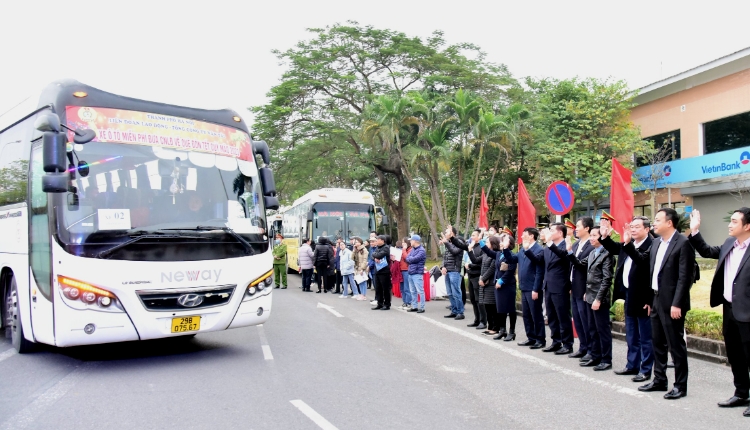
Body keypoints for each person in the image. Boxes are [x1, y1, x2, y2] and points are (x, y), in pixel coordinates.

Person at [623, 208, 695, 400]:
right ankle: (659, 379)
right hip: (655, 299)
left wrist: (677, 303)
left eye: (657, 219)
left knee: (676, 345)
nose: (654, 223)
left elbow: (684, 278)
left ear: (669, 223)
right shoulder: (656, 243)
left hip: (672, 302)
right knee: (658, 343)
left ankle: (680, 385)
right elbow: (643, 263)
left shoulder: (683, 243)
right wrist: (628, 244)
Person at [688, 208, 750, 416]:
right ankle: (741, 392)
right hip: (729, 309)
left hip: (748, 312)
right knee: (735, 354)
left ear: (747, 226)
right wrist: (695, 231)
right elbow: (706, 251)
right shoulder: (729, 244)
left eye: (734, 221)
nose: (729, 225)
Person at [600, 216, 654, 383]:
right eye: (631, 226)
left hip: (643, 296)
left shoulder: (651, 246)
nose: (633, 229)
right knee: (631, 334)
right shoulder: (628, 244)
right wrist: (605, 237)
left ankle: (645, 370)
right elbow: (615, 248)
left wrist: (650, 299)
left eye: (637, 227)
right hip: (629, 294)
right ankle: (632, 365)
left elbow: (645, 266)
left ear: (647, 229)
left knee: (645, 336)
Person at [554, 226, 614, 370]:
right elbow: (581, 265)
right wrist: (569, 252)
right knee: (592, 328)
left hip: (599, 297)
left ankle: (606, 359)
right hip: (590, 294)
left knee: (602, 329)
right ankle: (595, 355)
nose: (592, 238)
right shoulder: (593, 252)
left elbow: (606, 280)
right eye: (591, 235)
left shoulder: (607, 254)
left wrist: (598, 299)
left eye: (595, 235)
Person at [529, 223, 574, 354]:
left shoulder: (564, 246)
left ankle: (567, 344)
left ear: (560, 233)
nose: (549, 232)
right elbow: (538, 260)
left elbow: (563, 257)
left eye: (552, 230)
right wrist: (527, 250)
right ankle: (556, 341)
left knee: (563, 316)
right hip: (548, 286)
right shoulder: (547, 248)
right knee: (552, 316)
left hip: (560, 286)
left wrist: (550, 244)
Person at [504, 227, 546, 349]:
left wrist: (536, 289)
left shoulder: (538, 250)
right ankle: (531, 337)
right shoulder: (523, 249)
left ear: (531, 236)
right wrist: (506, 249)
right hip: (524, 287)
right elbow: (512, 259)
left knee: (536, 315)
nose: (521, 237)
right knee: (527, 315)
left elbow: (539, 272)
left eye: (524, 234)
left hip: (533, 288)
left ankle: (540, 339)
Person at [567, 217, 595, 359]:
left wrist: (570, 252)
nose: (575, 229)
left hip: (584, 288)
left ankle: (591, 349)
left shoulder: (591, 245)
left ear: (587, 228)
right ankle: (583, 347)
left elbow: (581, 265)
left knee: (586, 320)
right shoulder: (577, 244)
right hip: (574, 287)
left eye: (578, 226)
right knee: (577, 319)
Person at [483, 233, 518, 341]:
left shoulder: (511, 255)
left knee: (510, 309)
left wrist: (502, 281)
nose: (500, 242)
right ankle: (502, 330)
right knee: (501, 308)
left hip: (508, 285)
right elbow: (488, 252)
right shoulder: (499, 254)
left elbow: (511, 270)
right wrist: (480, 240)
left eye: (503, 240)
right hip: (498, 285)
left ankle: (512, 331)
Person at [453, 229, 487, 329]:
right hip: (471, 275)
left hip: (478, 275)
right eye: (471, 235)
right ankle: (476, 320)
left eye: (474, 235)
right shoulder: (470, 246)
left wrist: (470, 265)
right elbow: (460, 245)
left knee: (479, 300)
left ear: (479, 237)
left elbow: (481, 262)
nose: (472, 237)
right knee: (472, 299)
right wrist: (452, 238)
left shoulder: (482, 247)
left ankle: (483, 321)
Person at [440, 225, 466, 320]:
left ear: (452, 233)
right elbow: (445, 257)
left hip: (455, 270)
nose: (445, 234)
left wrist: (446, 242)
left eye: (447, 232)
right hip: (448, 270)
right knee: (450, 293)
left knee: (456, 292)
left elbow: (455, 251)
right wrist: (443, 266)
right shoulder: (449, 243)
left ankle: (460, 312)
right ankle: (454, 310)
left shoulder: (459, 242)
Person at [479, 236, 500, 335]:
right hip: (484, 283)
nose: (486, 243)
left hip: (491, 282)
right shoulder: (485, 254)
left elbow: (492, 268)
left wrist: (483, 278)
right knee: (487, 305)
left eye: (487, 242)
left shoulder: (495, 254)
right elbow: (477, 262)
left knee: (492, 306)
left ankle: (495, 327)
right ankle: (490, 326)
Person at [405, 235, 426, 313]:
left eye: (411, 240)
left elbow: (414, 259)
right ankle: (414, 306)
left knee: (420, 291)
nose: (410, 241)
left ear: (416, 241)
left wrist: (410, 259)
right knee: (412, 291)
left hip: (417, 273)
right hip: (411, 272)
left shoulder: (421, 250)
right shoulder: (412, 249)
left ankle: (422, 307)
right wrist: (410, 259)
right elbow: (407, 258)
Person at [372, 235, 392, 310]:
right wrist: (375, 257)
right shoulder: (378, 248)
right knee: (378, 288)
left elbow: (380, 255)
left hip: (384, 271)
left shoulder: (386, 248)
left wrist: (375, 256)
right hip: (377, 270)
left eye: (377, 240)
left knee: (385, 288)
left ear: (382, 240)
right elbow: (372, 255)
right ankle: (379, 303)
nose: (376, 241)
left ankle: (387, 304)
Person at [352, 237, 370, 301]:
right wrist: (354, 250)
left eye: (357, 242)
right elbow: (352, 258)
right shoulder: (356, 250)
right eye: (355, 242)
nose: (356, 243)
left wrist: (362, 269)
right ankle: (361, 294)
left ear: (360, 243)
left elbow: (365, 260)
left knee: (363, 282)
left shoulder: (364, 250)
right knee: (359, 281)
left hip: (362, 268)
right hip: (357, 268)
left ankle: (363, 295)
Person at [399, 237, 413, 309]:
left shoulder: (410, 250)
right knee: (402, 288)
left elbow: (407, 258)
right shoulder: (402, 250)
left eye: (403, 242)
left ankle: (409, 303)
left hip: (407, 270)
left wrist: (404, 249)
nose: (402, 244)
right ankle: (404, 302)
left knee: (407, 287)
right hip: (401, 269)